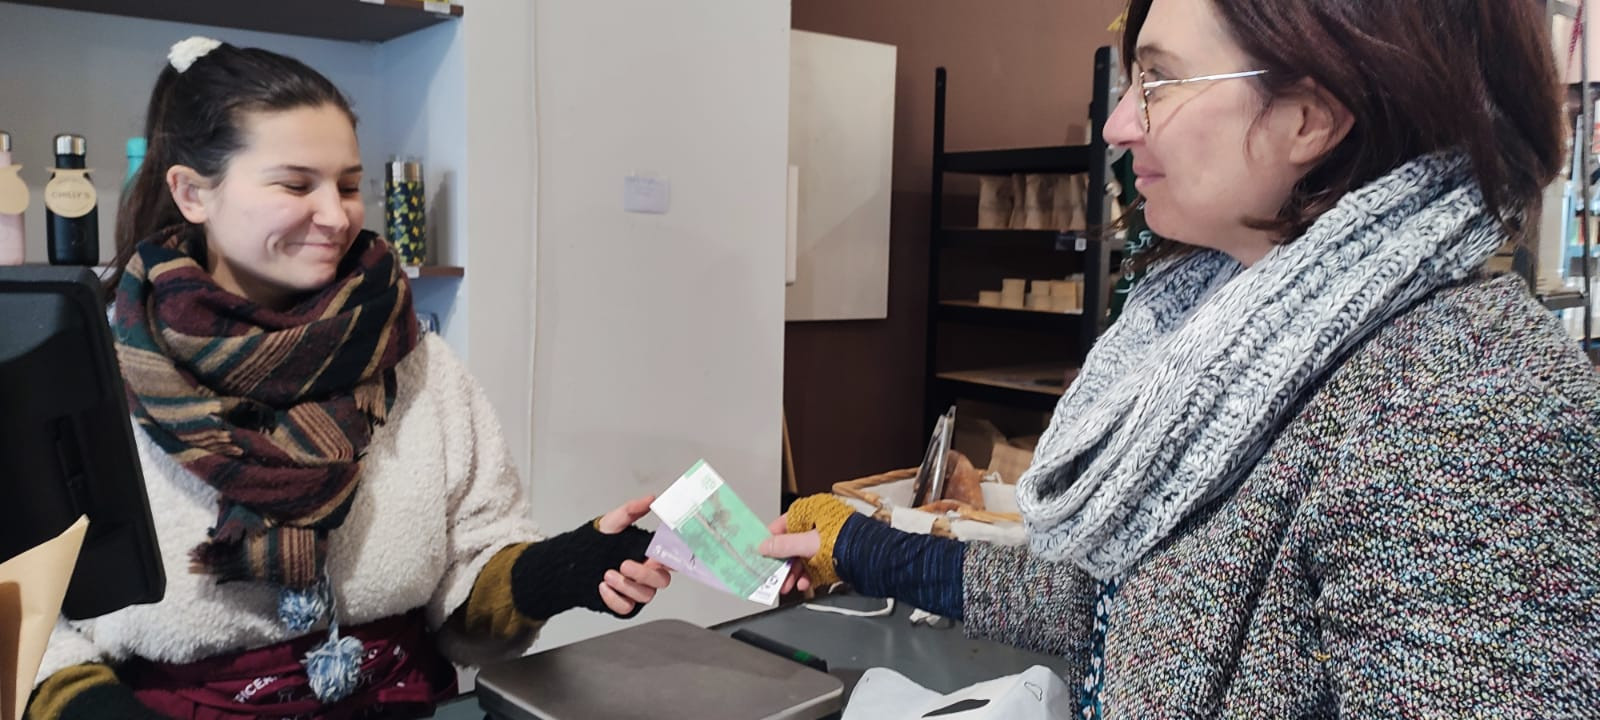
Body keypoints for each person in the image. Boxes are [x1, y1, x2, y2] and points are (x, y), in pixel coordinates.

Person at [764, 0, 1600, 717]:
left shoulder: (1467, 411)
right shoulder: (1231, 341)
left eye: (1157, 83)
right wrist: (865, 548)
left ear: (1311, 116)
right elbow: (1135, 607)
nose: (1119, 124)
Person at [26, 37, 671, 720]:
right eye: (296, 184)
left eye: (349, 185)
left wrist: (567, 569)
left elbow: (466, 589)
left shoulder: (417, 363)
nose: (336, 216)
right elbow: (27, 610)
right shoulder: (85, 375)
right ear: (192, 193)